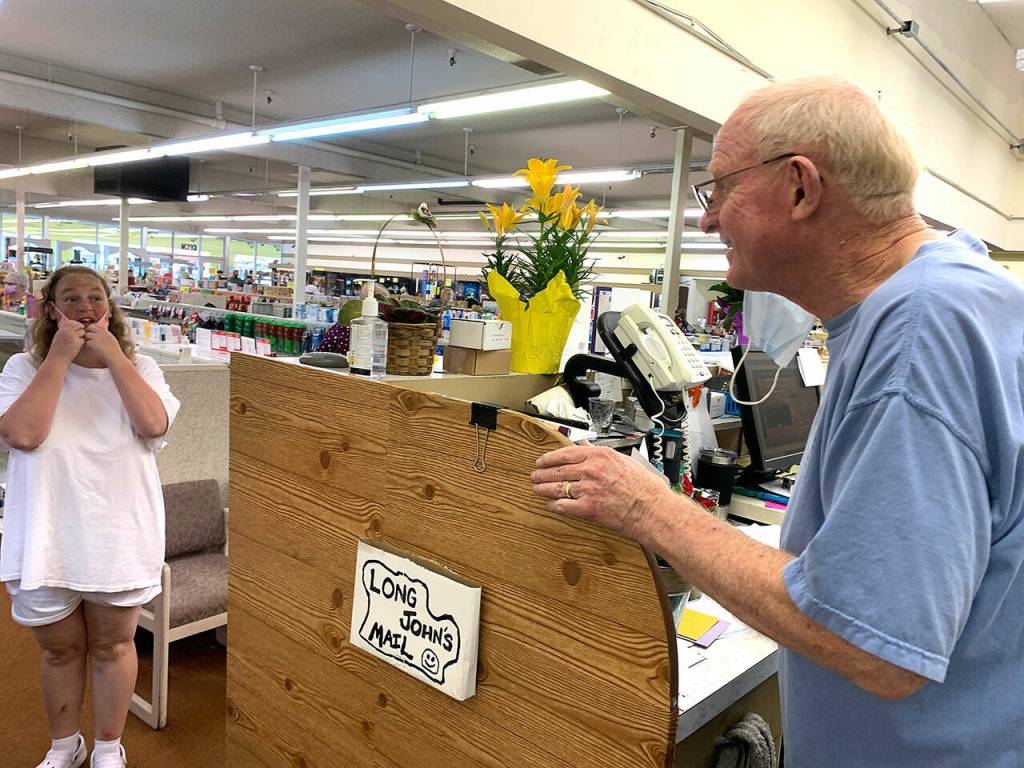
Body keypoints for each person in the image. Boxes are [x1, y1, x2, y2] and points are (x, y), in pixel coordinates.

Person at [531, 77, 1024, 767]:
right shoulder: (962, 297)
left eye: (721, 189)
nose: (707, 220)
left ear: (800, 188)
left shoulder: (918, 336)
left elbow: (875, 644)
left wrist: (648, 507)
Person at [0, 265, 180, 768]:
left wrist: (114, 359)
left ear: (111, 307)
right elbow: (23, 434)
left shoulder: (142, 368)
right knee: (59, 650)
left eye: (96, 298)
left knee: (114, 645)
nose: (85, 307)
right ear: (50, 310)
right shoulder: (22, 367)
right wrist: (58, 357)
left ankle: (106, 748)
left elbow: (152, 425)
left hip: (117, 532)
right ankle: (64, 747)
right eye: (71, 299)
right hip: (46, 533)